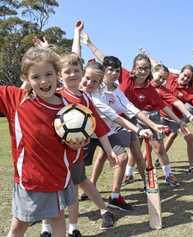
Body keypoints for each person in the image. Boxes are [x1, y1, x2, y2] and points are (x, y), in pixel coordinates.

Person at [38, 21, 117, 237]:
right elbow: (70, 57)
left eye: (76, 71)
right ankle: (46, 228)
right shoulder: (57, 93)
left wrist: (110, 151)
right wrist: (73, 35)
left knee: (74, 187)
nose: (72, 74)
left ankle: (75, 227)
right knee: (51, 190)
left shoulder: (85, 98)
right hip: (52, 154)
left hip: (75, 154)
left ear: (82, 73)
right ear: (59, 75)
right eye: (67, 72)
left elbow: (99, 127)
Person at [1, 46, 85, 237]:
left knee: (58, 220)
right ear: (26, 79)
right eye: (36, 77)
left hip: (60, 178)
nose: (44, 81)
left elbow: (75, 148)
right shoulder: (17, 99)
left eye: (48, 74)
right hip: (31, 181)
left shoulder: (70, 109)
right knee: (19, 226)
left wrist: (76, 145)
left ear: (57, 75)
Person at [79, 58, 155, 211]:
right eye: (110, 70)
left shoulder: (115, 89)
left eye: (117, 71)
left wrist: (148, 127)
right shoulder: (92, 91)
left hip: (106, 131)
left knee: (122, 157)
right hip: (85, 134)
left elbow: (127, 109)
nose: (114, 73)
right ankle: (85, 190)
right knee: (77, 168)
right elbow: (115, 116)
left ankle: (115, 196)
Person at [150, 63, 193, 175]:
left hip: (176, 118)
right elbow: (158, 67)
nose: (185, 78)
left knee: (189, 137)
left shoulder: (188, 91)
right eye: (184, 75)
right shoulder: (169, 77)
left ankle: (192, 167)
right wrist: (147, 55)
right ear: (179, 73)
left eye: (188, 78)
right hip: (160, 114)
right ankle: (148, 163)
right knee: (153, 138)